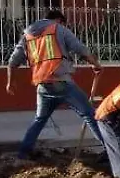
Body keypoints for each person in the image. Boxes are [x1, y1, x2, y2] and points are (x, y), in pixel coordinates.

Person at [6, 9, 105, 160]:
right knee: (89, 114)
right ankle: (109, 149)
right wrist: (96, 64)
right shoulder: (58, 28)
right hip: (61, 81)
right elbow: (80, 49)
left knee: (39, 119)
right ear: (58, 20)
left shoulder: (28, 36)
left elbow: (12, 63)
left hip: (42, 85)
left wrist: (10, 83)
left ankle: (23, 153)